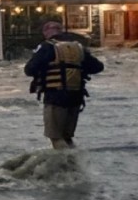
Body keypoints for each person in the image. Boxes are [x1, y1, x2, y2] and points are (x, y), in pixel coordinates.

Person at [24, 21, 104, 150]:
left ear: (46, 32)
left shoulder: (47, 46)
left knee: (55, 137)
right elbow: (98, 67)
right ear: (61, 30)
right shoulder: (78, 47)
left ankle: (66, 164)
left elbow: (29, 70)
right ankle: (76, 163)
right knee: (67, 137)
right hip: (76, 97)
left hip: (55, 97)